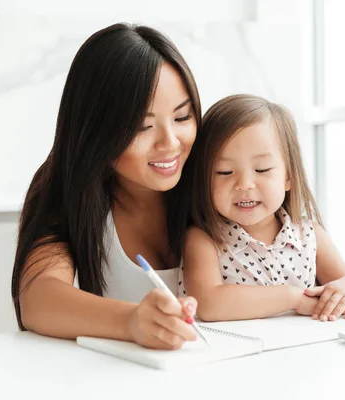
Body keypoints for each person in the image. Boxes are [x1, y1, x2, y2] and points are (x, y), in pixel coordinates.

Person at [11, 23, 203, 350]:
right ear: (97, 131)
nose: (170, 143)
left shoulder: (214, 172)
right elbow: (39, 298)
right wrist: (132, 321)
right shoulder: (67, 191)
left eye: (182, 118)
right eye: (143, 126)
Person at [179, 94, 345, 322]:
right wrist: (294, 298)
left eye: (261, 170)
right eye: (224, 172)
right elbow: (209, 304)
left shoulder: (309, 235)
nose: (244, 185)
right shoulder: (205, 240)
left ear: (288, 176)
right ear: (204, 180)